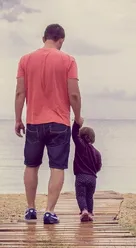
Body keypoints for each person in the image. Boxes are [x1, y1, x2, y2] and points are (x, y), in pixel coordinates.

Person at [15, 23, 83, 224]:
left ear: (44, 38)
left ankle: (30, 210)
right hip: (60, 122)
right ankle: (49, 212)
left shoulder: (25, 60)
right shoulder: (68, 60)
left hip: (34, 121)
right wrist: (78, 117)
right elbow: (74, 94)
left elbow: (20, 93)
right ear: (61, 40)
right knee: (57, 167)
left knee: (31, 165)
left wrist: (18, 118)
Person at [72, 120, 102, 222]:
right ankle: (90, 212)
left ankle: (84, 210)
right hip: (92, 178)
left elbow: (74, 134)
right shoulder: (97, 152)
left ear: (81, 137)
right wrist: (93, 172)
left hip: (81, 176)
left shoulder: (80, 146)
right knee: (89, 196)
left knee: (81, 195)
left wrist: (77, 123)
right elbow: (99, 166)